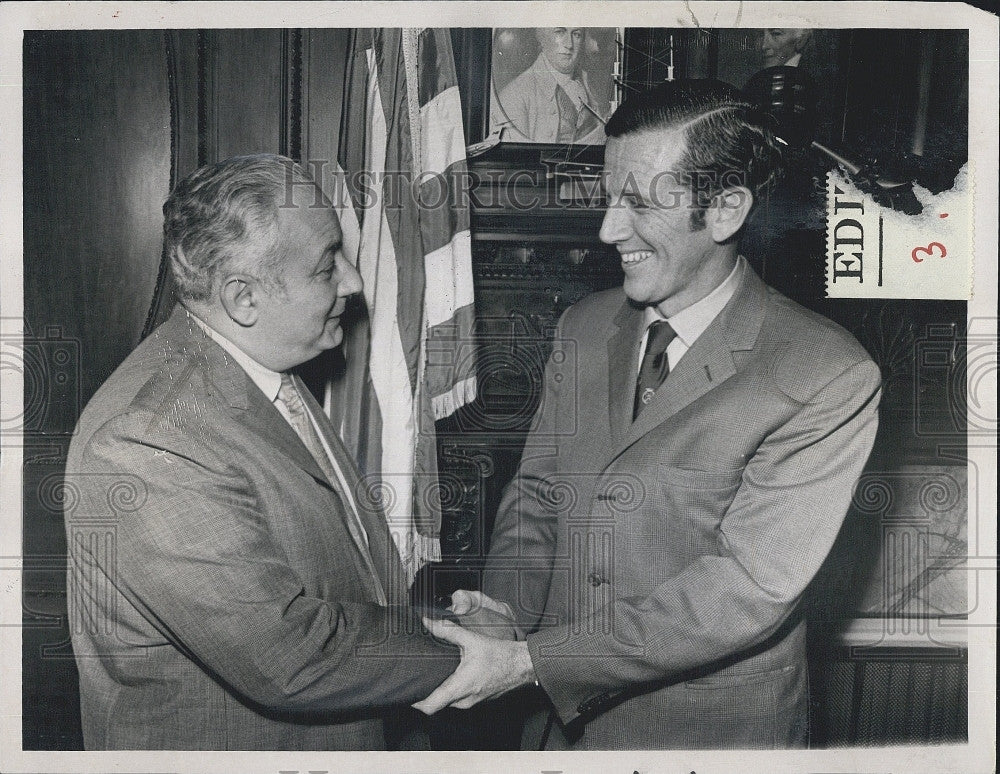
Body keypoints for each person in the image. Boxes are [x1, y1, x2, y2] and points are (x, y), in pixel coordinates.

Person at [413, 80, 883, 750]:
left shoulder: (827, 374)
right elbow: (539, 497)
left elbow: (744, 588)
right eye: (609, 198)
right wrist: (503, 616)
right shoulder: (584, 325)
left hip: (709, 738)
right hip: (561, 731)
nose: (608, 230)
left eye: (637, 203)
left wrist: (534, 663)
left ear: (723, 210)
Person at [64, 155, 463, 750]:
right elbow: (290, 655)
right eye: (328, 266)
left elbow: (339, 572)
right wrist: (470, 652)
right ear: (243, 299)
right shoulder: (149, 437)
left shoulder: (257, 366)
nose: (354, 282)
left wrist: (437, 627)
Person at [494, 27, 608, 144]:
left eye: (576, 35)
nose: (569, 44)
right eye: (559, 32)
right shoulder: (515, 95)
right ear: (542, 37)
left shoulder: (591, 85)